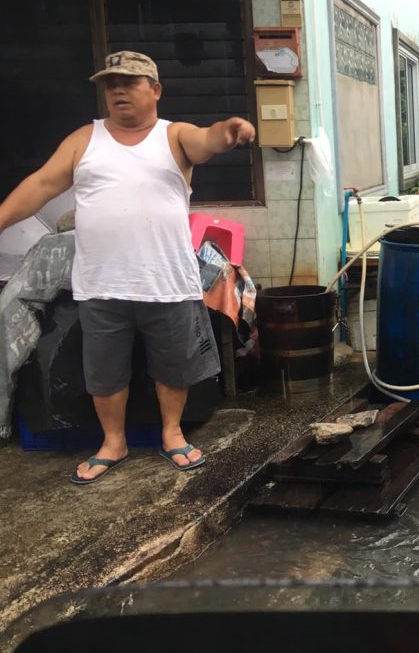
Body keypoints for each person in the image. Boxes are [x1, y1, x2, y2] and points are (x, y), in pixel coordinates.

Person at [0, 51, 255, 484]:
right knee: (104, 370)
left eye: (130, 82)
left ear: (154, 90)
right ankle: (113, 442)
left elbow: (207, 139)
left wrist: (229, 133)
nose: (118, 90)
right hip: (102, 283)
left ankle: (172, 434)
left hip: (166, 282)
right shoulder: (86, 138)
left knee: (173, 366)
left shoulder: (173, 136)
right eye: (110, 83)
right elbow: (42, 184)